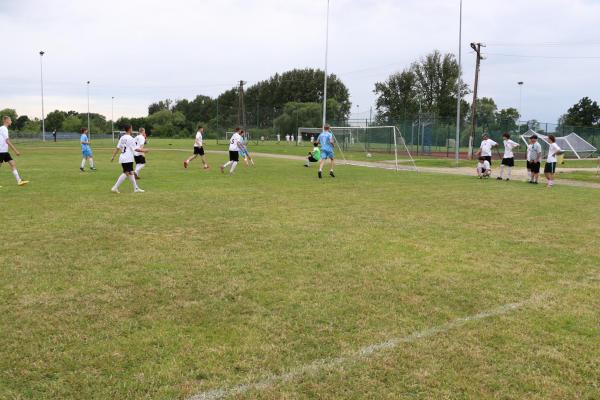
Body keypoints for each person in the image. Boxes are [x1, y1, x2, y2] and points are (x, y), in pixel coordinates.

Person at [110, 124, 145, 193]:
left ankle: (136, 188)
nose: (132, 129)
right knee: (126, 173)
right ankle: (115, 187)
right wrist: (144, 150)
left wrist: (113, 156)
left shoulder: (122, 137)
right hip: (128, 158)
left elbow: (117, 148)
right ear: (129, 129)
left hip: (123, 157)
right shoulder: (131, 138)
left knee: (131, 172)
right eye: (131, 128)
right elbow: (136, 149)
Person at [0, 116, 29, 187]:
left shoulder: (3, 128)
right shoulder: (4, 129)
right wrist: (15, 151)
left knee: (13, 164)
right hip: (1, 151)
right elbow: (7, 141)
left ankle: (19, 181)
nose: (11, 121)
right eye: (10, 120)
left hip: (5, 151)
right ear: (6, 120)